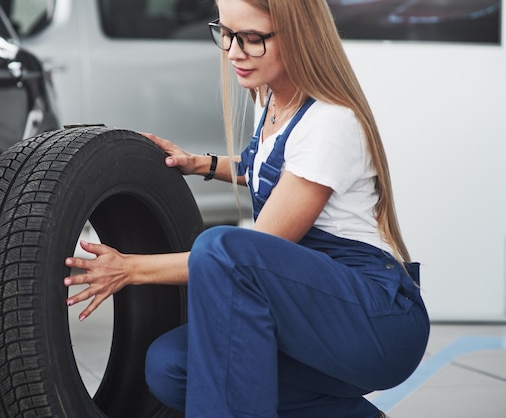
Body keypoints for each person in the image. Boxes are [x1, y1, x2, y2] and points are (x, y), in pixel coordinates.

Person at [63, 0, 430, 416]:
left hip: (371, 323)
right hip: (306, 314)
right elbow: (272, 168)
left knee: (224, 248)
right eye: (227, 33)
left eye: (252, 39)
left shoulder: (330, 122)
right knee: (171, 366)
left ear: (299, 35)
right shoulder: (272, 101)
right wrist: (201, 163)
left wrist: (130, 269)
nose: (235, 51)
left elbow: (247, 254)